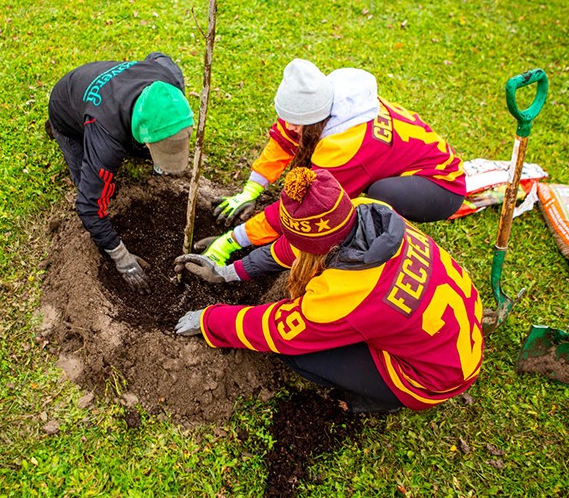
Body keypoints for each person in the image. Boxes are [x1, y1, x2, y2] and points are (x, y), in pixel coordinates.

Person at [175, 167, 483, 413]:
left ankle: (386, 399)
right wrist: (230, 273)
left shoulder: (348, 292)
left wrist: (208, 319)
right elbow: (296, 248)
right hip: (452, 331)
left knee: (298, 354)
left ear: (320, 248)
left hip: (432, 377)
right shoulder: (366, 211)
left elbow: (279, 330)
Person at [212, 59, 466, 228]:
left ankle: (385, 236)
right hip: (409, 159)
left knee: (377, 197)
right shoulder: (314, 103)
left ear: (316, 119)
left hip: (440, 184)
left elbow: (315, 207)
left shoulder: (346, 147)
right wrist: (251, 190)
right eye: (288, 118)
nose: (290, 126)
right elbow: (283, 140)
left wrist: (237, 239)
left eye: (296, 123)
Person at [47, 52, 194, 291]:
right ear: (145, 138)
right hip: (67, 104)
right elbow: (88, 206)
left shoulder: (170, 82)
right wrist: (121, 258)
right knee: (88, 182)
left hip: (109, 91)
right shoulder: (105, 135)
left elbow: (158, 56)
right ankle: (59, 128)